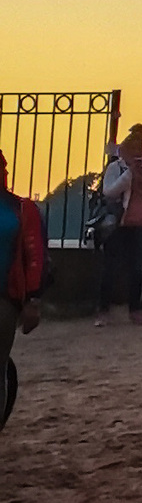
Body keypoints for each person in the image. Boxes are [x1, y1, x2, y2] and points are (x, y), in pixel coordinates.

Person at [94, 123, 142, 326]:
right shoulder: (115, 168)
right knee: (111, 267)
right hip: (118, 223)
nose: (135, 152)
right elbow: (110, 192)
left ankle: (136, 309)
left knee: (137, 268)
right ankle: (103, 310)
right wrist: (129, 175)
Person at [4, 149, 44, 431]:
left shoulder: (19, 208)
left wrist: (31, 298)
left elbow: (34, 257)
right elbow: (34, 255)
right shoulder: (19, 209)